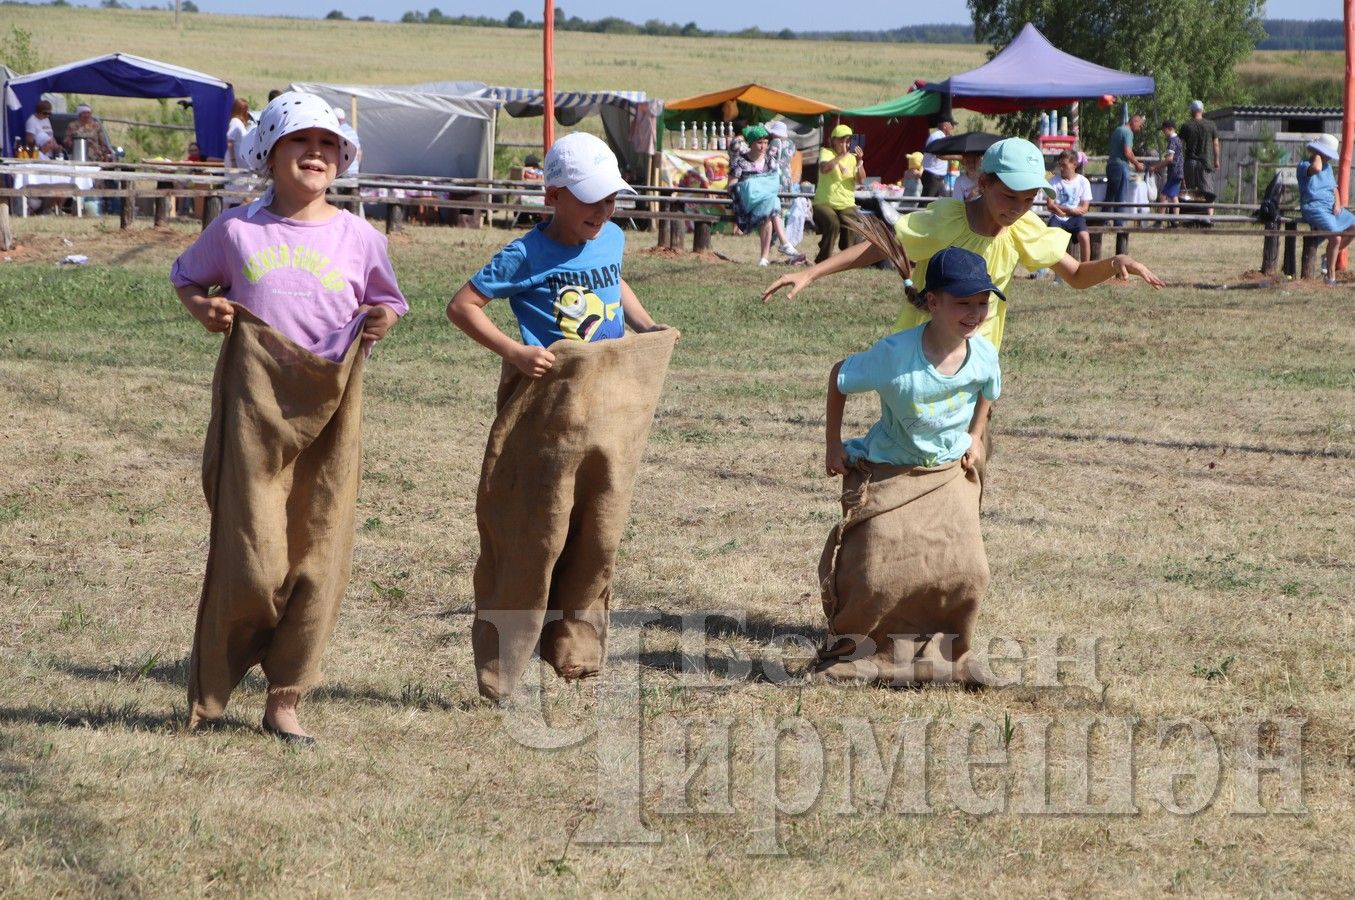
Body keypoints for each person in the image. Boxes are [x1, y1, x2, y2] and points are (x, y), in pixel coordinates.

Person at [170, 92, 406, 742]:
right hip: (255, 412)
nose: (315, 154)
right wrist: (202, 308)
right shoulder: (237, 230)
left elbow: (387, 303)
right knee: (252, 557)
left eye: (327, 144)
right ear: (268, 156)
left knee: (317, 550)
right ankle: (215, 685)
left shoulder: (361, 237)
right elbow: (187, 277)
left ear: (342, 160)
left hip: (330, 416)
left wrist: (381, 319)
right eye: (300, 143)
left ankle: (284, 699)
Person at [446, 132, 677, 700]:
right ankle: (505, 664)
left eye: (610, 199)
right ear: (553, 196)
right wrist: (513, 351)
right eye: (591, 199)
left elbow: (613, 280)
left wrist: (645, 325)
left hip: (608, 409)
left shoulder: (614, 237)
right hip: (551, 413)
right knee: (537, 531)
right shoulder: (525, 254)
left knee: (597, 529)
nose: (603, 211)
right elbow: (462, 305)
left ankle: (576, 646)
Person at [763, 137, 1163, 355]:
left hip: (978, 360)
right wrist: (810, 271)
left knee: (972, 459)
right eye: (1010, 197)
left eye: (1028, 200)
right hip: (922, 350)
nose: (1018, 209)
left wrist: (1115, 263)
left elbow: (1075, 276)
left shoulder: (1022, 229)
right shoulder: (948, 219)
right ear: (984, 184)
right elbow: (883, 246)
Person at [817, 246, 1001, 685]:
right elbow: (839, 376)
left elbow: (988, 390)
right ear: (933, 302)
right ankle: (862, 651)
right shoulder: (894, 356)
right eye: (963, 302)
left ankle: (948, 654)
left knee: (969, 570)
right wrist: (831, 443)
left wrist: (975, 437)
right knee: (877, 572)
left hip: (947, 471)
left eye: (983, 302)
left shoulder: (984, 354)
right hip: (890, 469)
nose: (975, 313)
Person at [727, 124, 799, 266]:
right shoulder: (740, 161)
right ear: (751, 143)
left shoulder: (769, 161)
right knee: (773, 202)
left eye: (766, 143)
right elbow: (731, 186)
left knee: (770, 207)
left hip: (765, 202)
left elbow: (773, 184)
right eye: (759, 143)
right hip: (747, 205)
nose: (763, 146)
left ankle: (764, 259)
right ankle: (784, 243)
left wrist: (757, 185)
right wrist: (752, 187)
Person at [1297, 134, 1355, 285]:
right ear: (1318, 152)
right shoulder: (1304, 165)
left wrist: (1337, 203)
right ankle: (1330, 277)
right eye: (1326, 154)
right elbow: (1316, 168)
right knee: (1335, 237)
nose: (1328, 158)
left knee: (1354, 226)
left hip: (1330, 207)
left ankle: (1327, 256)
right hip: (1314, 208)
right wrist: (1316, 153)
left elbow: (1334, 188)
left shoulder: (1328, 168)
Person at [811, 123, 865, 263]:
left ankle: (845, 257)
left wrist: (860, 162)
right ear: (833, 140)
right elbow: (825, 169)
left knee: (851, 220)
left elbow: (861, 180)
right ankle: (822, 260)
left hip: (846, 203)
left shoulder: (853, 158)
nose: (844, 143)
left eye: (848, 140)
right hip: (824, 202)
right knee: (833, 222)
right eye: (841, 140)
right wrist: (841, 156)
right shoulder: (826, 152)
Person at [1046, 148, 1093, 262]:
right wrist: (1071, 210)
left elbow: (1084, 208)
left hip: (1075, 219)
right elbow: (1050, 205)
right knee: (1053, 238)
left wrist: (1062, 209)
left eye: (1064, 165)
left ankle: (1085, 268)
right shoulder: (1054, 181)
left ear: (1074, 165)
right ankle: (1058, 272)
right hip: (1057, 218)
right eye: (1060, 165)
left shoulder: (1083, 181)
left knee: (1084, 237)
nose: (1061, 168)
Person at [1178, 100, 1219, 221]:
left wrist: (1179, 162)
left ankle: (1188, 217)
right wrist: (1216, 160)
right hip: (1206, 163)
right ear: (1202, 110)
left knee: (1188, 191)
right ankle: (1209, 218)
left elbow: (1180, 146)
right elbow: (1216, 144)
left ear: (1192, 111)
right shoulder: (1211, 125)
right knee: (1208, 191)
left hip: (1190, 162)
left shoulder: (1186, 126)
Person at [1106, 114, 1144, 227]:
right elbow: (1127, 152)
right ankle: (1119, 223)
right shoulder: (1128, 132)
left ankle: (1101, 219)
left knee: (1110, 196)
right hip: (1120, 166)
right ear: (1134, 122)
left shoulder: (1118, 130)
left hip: (1111, 165)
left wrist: (1135, 161)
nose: (1140, 128)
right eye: (1140, 125)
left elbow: (1128, 151)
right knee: (1121, 196)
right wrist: (1137, 163)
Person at [224, 98, 253, 207]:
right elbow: (230, 140)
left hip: (239, 160)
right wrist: (233, 161)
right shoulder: (235, 123)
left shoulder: (239, 123)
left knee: (242, 187)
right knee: (236, 189)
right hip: (235, 160)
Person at [1153, 120, 1184, 221]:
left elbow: (1170, 158)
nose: (1163, 133)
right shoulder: (1178, 139)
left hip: (1174, 172)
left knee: (1163, 196)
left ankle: (1159, 220)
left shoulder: (1172, 141)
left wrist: (1155, 167)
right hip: (1178, 171)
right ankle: (1175, 220)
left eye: (1164, 130)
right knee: (1173, 197)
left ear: (1170, 129)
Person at [921, 115, 956, 197]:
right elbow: (939, 155)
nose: (953, 127)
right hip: (933, 176)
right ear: (945, 126)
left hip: (937, 177)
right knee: (925, 202)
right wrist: (959, 157)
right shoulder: (937, 136)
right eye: (951, 124)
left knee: (943, 201)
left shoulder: (941, 137)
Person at [766, 120, 796, 195]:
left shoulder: (775, 142)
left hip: (776, 172)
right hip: (786, 172)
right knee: (785, 194)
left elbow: (769, 156)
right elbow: (793, 155)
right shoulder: (791, 143)